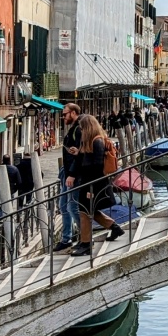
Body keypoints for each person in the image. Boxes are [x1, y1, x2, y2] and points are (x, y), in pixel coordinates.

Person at [66, 115, 124, 257]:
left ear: (88, 127)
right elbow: (84, 160)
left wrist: (86, 177)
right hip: (88, 181)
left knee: (85, 210)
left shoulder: (97, 141)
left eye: (82, 126)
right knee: (87, 209)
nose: (80, 129)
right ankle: (113, 228)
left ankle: (86, 244)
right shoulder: (87, 141)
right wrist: (79, 155)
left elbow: (98, 164)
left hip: (94, 182)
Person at [54, 104, 84, 252]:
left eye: (65, 114)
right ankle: (67, 238)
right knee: (63, 205)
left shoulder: (78, 130)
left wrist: (72, 174)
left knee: (72, 206)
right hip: (67, 172)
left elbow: (80, 155)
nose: (63, 116)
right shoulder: (73, 129)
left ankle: (85, 236)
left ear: (73, 113)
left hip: (73, 174)